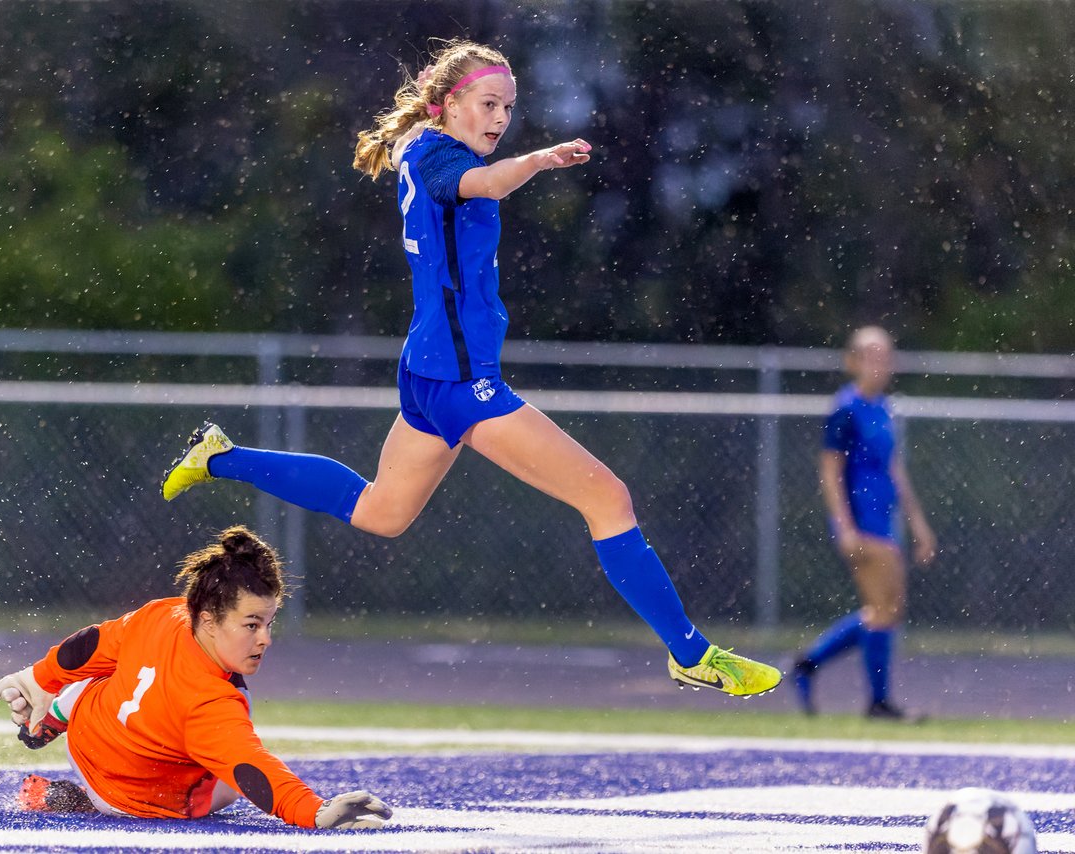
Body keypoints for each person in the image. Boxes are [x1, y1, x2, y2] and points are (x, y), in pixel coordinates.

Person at [161, 39, 780, 698]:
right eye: (488, 104)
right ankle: (691, 652)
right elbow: (483, 183)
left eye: (508, 108)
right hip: (460, 382)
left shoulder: (426, 148)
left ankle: (219, 456)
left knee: (380, 511)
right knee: (608, 499)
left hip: (431, 372)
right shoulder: (437, 157)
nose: (499, 119)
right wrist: (538, 160)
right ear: (448, 103)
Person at [0, 525, 392, 829]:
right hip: (130, 801)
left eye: (269, 622)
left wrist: (37, 678)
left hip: (86, 735)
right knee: (228, 781)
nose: (266, 639)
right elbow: (252, 767)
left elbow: (94, 644)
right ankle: (83, 800)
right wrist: (315, 813)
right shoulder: (214, 703)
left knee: (109, 674)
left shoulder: (162, 613)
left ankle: (56, 711)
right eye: (252, 624)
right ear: (209, 620)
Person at [793, 326, 938, 719]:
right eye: (872, 357)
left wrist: (919, 523)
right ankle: (876, 701)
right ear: (852, 361)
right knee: (883, 610)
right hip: (861, 522)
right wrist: (845, 527)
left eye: (886, 357)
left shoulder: (883, 409)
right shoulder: (846, 408)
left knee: (885, 610)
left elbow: (894, 469)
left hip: (883, 520)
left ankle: (809, 664)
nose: (881, 365)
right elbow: (830, 471)